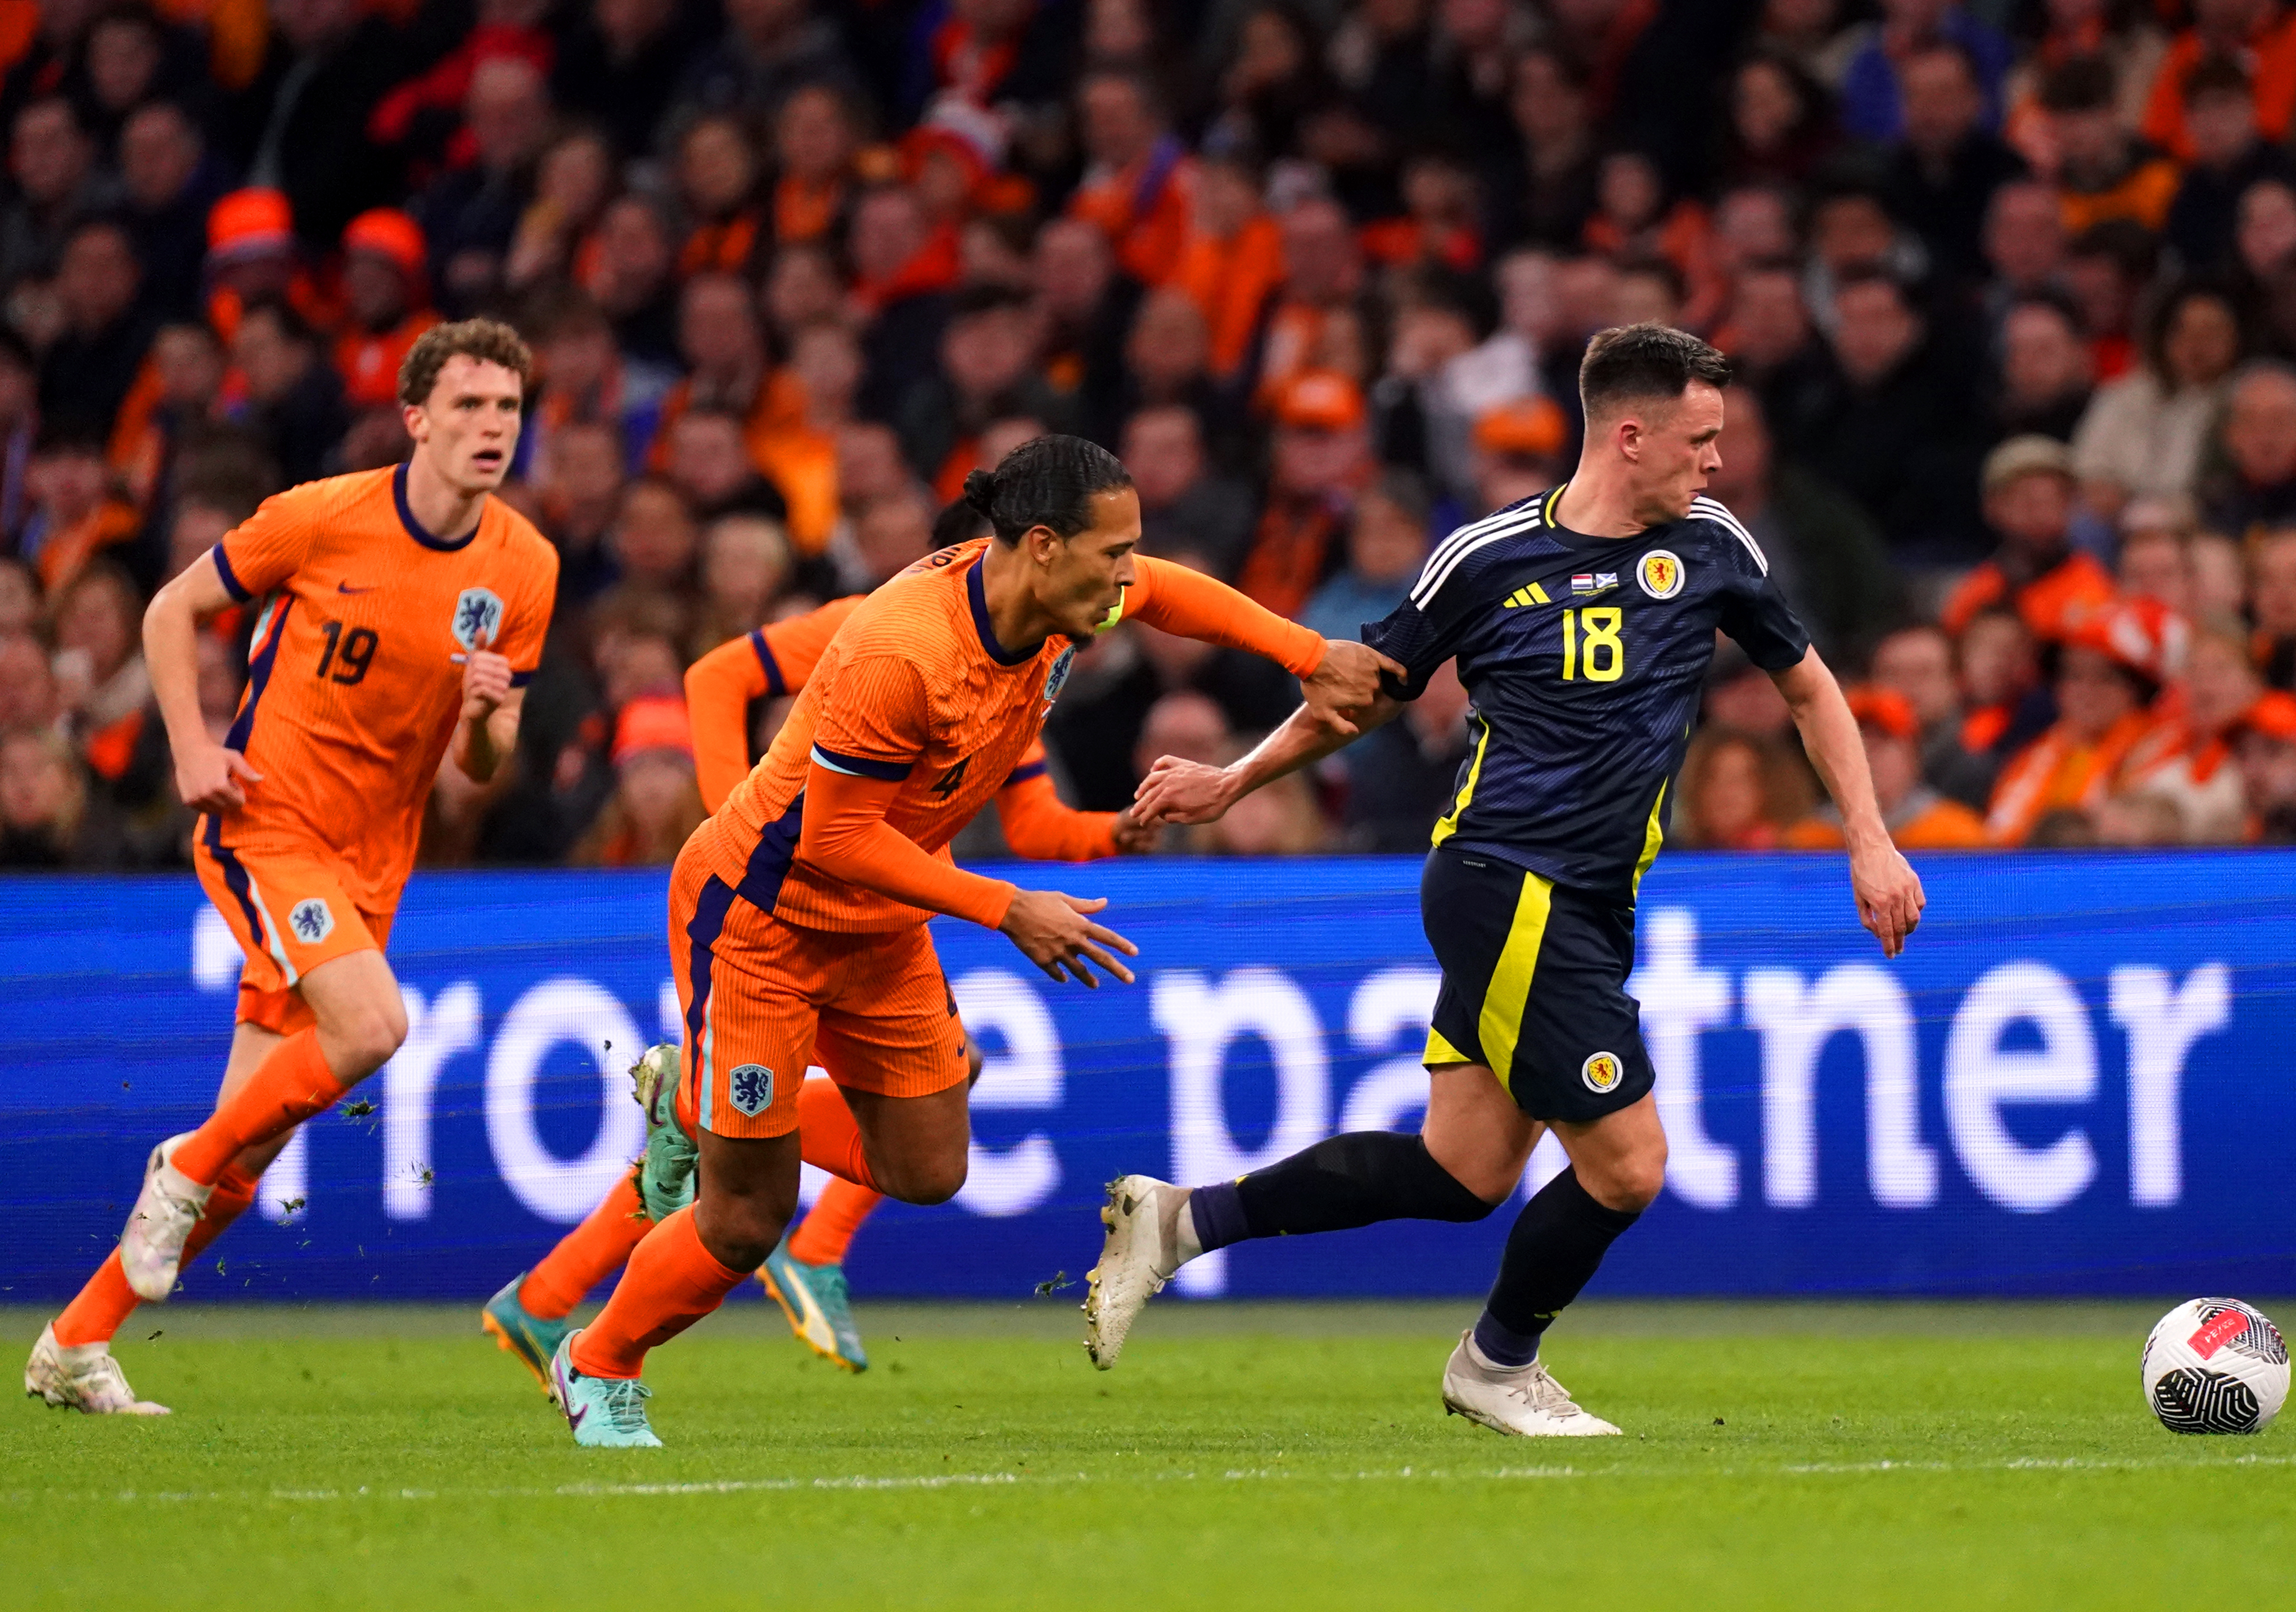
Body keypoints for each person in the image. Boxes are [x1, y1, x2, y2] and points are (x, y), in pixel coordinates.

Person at [1093, 325, 1924, 1437]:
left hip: (1591, 901)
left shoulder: (1712, 545)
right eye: (1700, 439)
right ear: (1630, 437)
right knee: (1629, 1168)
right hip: (1508, 881)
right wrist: (1235, 779)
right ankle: (1495, 1364)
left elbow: (1810, 689)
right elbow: (1365, 694)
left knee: (1464, 1170)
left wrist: (1869, 838)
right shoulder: (1485, 557)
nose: (1717, 460)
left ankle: (1179, 1223)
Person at [545, 436, 1393, 1447]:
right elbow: (834, 837)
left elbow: (1170, 592)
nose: (1128, 574)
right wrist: (1006, 907)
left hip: (879, 924)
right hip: (761, 921)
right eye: (1113, 552)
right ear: (1042, 546)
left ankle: (695, 1099)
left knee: (928, 1169)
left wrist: (1308, 655)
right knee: (745, 1216)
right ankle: (600, 1360)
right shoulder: (903, 654)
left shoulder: (1066, 600)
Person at [23, 321, 556, 1416]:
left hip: (374, 858)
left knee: (250, 1155)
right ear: (416, 419)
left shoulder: (525, 566)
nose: (492, 427)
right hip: (266, 819)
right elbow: (172, 609)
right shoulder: (322, 515)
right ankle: (179, 1168)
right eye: (468, 405)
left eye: (507, 408)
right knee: (373, 1026)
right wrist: (190, 748)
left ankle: (75, 1341)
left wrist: (486, 720)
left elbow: (483, 761)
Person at [481, 589, 1158, 1384]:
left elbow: (1035, 821)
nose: (1106, 583)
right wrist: (735, 826)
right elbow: (718, 676)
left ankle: (558, 1286)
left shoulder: (1023, 663)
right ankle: (787, 1244)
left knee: (800, 1124)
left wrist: (1117, 830)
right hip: (786, 907)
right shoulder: (898, 628)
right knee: (753, 1159)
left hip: (878, 920)